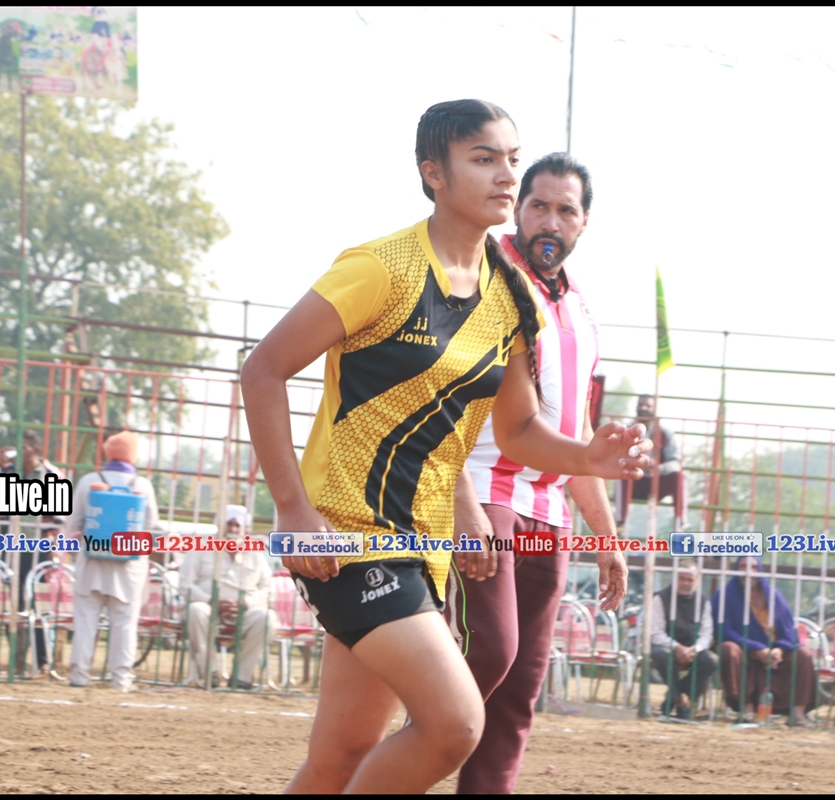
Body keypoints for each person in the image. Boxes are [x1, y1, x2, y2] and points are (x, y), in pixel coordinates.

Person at [239, 99, 651, 794]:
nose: (506, 175)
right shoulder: (379, 267)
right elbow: (263, 370)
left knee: (340, 757)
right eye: (484, 159)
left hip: (423, 546)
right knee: (456, 724)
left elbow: (518, 430)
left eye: (511, 159)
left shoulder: (508, 295)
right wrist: (292, 509)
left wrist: (588, 459)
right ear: (434, 173)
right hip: (348, 536)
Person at [447, 152, 628, 794]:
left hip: (549, 518)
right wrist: (463, 504)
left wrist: (605, 538)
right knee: (488, 655)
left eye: (565, 210)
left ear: (584, 222)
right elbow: (445, 398)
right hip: (484, 495)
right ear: (518, 209)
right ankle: (395, 767)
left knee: (520, 688)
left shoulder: (579, 311)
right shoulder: (484, 278)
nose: (551, 221)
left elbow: (578, 437)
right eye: (539, 206)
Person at [62, 431, 159, 692]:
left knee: (86, 619)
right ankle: (121, 680)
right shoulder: (142, 485)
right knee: (124, 623)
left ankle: (79, 675)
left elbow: (73, 523)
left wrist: (77, 552)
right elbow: (149, 524)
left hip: (92, 561)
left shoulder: (89, 481)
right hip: (129, 566)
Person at [179, 505, 278, 691]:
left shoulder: (255, 553)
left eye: (237, 525)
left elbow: (268, 588)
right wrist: (211, 601)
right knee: (196, 610)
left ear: (244, 529)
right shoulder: (200, 547)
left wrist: (245, 603)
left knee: (266, 618)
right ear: (219, 525)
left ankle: (242, 677)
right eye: (228, 524)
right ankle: (211, 672)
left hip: (243, 612)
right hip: (208, 609)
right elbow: (185, 585)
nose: (232, 529)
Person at [715, 556, 816, 727]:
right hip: (745, 651)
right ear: (736, 569)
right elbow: (723, 630)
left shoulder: (773, 595)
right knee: (728, 649)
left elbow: (789, 630)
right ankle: (745, 708)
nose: (748, 571)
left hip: (774, 653)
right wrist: (756, 648)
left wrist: (779, 650)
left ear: (760, 569)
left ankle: (797, 713)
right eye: (743, 566)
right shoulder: (725, 595)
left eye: (753, 567)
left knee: (803, 654)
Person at [1, 430, 61, 675]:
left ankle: (43, 660)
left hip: (39, 549)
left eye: (23, 447)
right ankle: (16, 657)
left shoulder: (50, 475)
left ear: (35, 450)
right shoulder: (6, 472)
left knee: (40, 605)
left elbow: (56, 518)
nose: (18, 453)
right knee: (13, 604)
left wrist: (52, 547)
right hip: (11, 546)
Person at [650, 559, 717, 719]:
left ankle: (673, 696)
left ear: (697, 581)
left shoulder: (703, 600)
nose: (685, 583)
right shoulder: (661, 598)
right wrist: (676, 647)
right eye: (682, 578)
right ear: (675, 577)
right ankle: (680, 702)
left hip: (692, 647)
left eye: (690, 579)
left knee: (711, 661)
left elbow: (707, 633)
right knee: (662, 656)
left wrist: (695, 649)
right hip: (665, 645)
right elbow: (655, 633)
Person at [614, 394, 683, 527]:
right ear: (636, 407)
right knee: (622, 475)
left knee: (679, 476)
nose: (643, 408)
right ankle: (620, 522)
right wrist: (637, 465)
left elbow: (675, 463)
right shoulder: (625, 431)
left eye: (648, 406)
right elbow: (616, 458)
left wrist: (658, 469)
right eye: (641, 405)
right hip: (633, 480)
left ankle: (680, 523)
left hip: (657, 483)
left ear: (654, 409)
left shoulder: (665, 433)